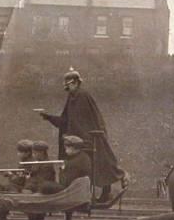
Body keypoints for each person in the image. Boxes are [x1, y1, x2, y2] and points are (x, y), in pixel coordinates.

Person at [39, 69, 127, 203]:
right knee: (81, 167)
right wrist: (49, 117)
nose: (68, 89)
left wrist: (83, 140)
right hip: (77, 141)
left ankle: (103, 193)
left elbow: (89, 121)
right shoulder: (72, 97)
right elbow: (66, 121)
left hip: (88, 139)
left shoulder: (83, 96)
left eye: (69, 85)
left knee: (94, 165)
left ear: (75, 83)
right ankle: (84, 194)